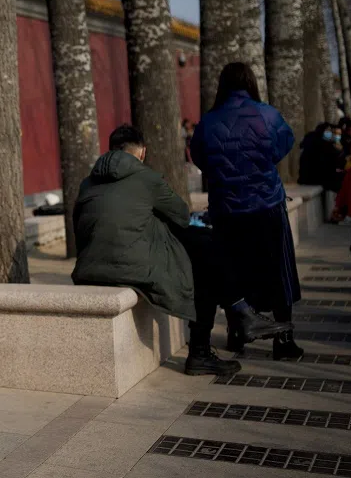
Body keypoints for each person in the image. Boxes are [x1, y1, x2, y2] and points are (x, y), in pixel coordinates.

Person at [72, 125, 289, 376]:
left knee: (203, 250)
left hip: (89, 268)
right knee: (205, 259)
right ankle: (210, 343)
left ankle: (238, 314)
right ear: (142, 152)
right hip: (128, 267)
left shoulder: (87, 182)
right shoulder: (147, 177)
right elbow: (182, 215)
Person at [191, 62, 302, 360]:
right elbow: (284, 143)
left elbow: (200, 157)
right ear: (251, 83)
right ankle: (284, 341)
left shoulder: (208, 122)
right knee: (279, 273)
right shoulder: (267, 115)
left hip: (226, 210)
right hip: (266, 205)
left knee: (234, 273)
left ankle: (236, 335)